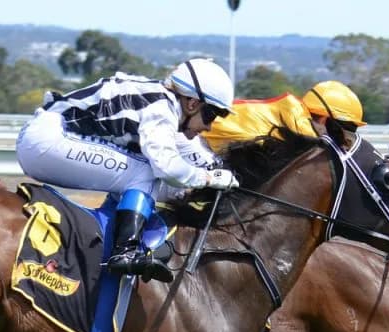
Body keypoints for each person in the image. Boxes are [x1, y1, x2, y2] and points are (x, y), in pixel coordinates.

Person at [16, 58, 241, 283]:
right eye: (211, 115)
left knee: (147, 176)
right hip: (46, 140)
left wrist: (216, 174)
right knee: (146, 172)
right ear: (192, 103)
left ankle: (109, 235)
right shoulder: (162, 109)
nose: (209, 127)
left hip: (45, 139)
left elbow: (188, 162)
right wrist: (209, 178)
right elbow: (167, 167)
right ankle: (125, 251)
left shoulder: (164, 102)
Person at [180, 80, 389, 182]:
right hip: (188, 146)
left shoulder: (300, 115)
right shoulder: (300, 128)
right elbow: (345, 172)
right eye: (345, 130)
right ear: (323, 118)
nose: (346, 138)